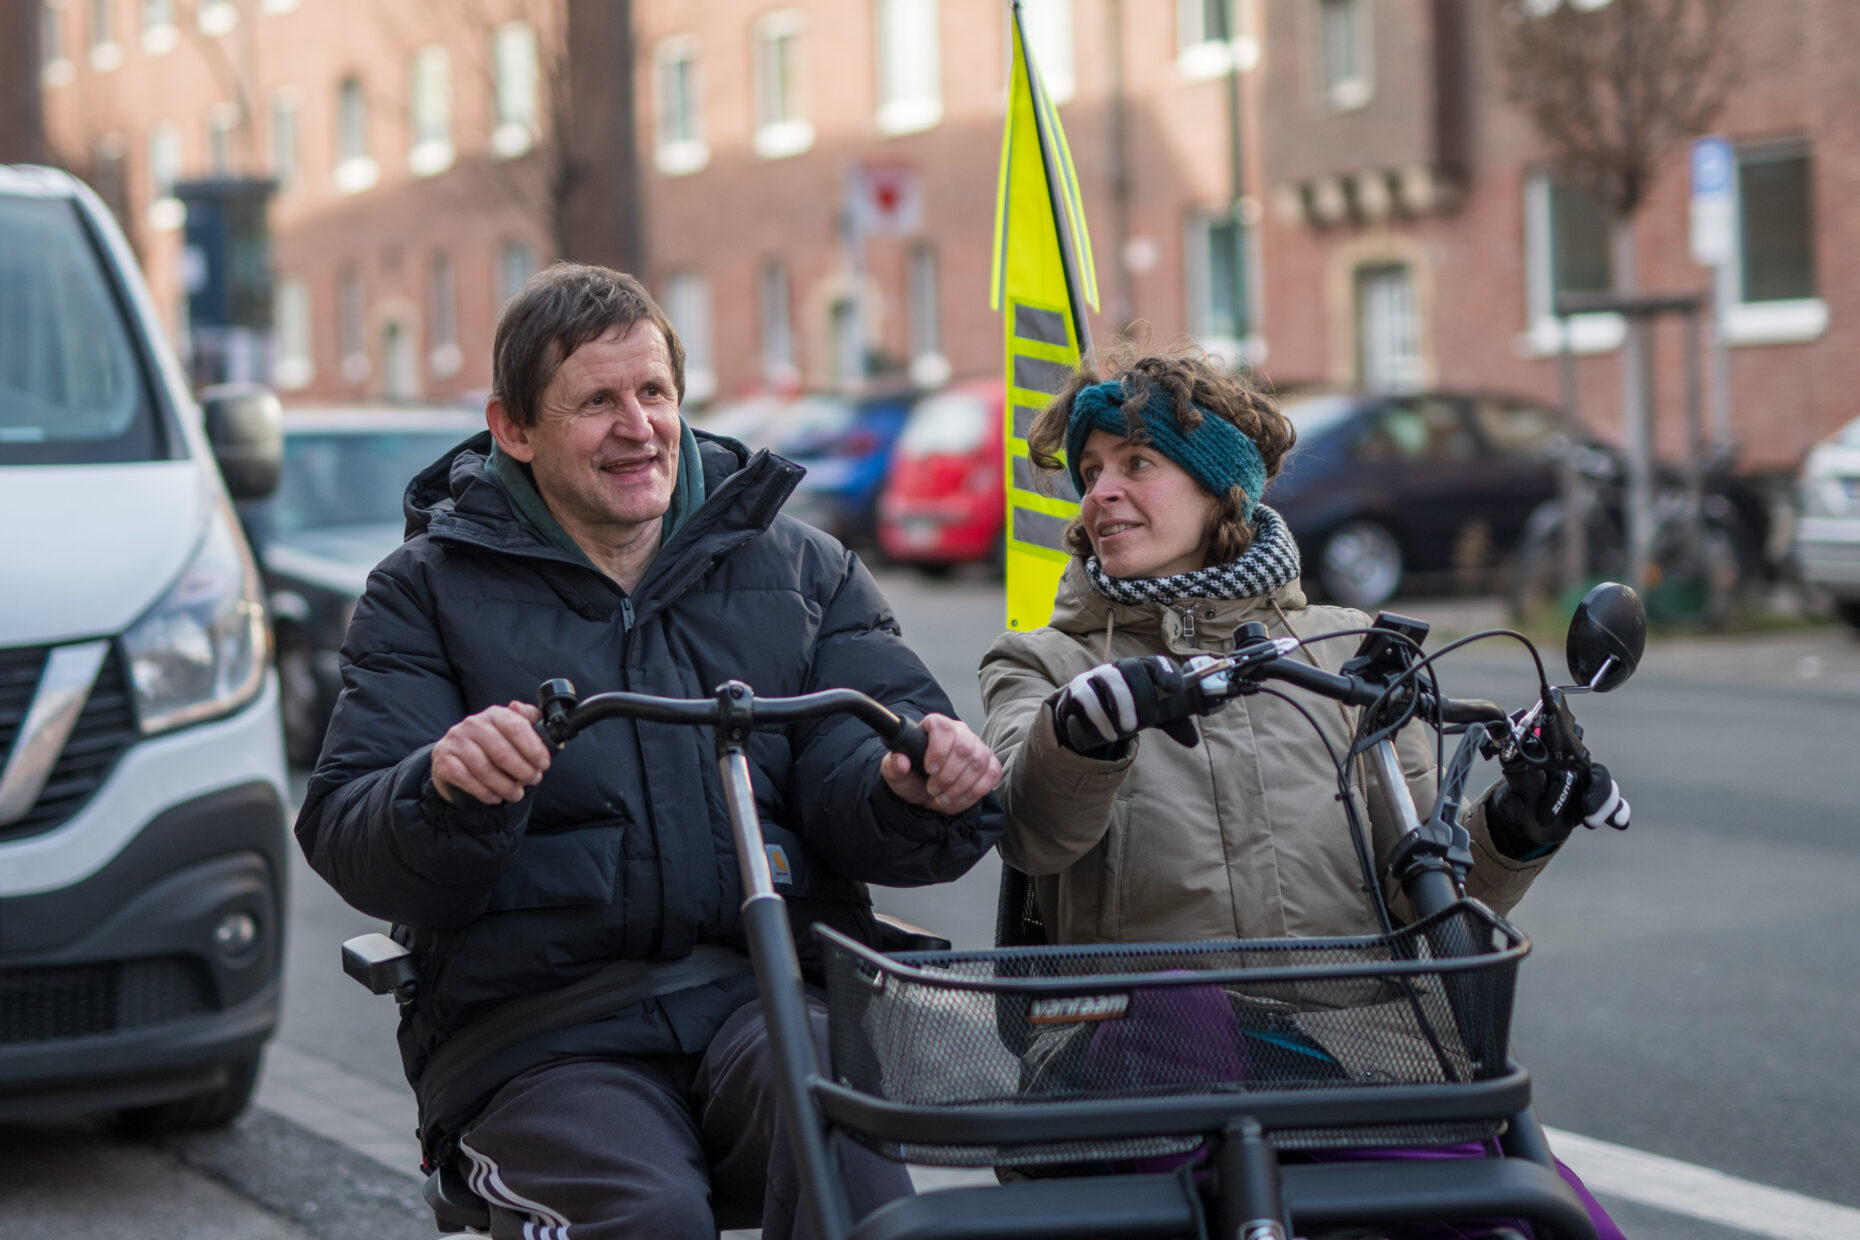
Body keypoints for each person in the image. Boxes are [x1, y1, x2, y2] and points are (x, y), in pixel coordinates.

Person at [296, 263, 1003, 1240]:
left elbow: (868, 756)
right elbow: (349, 827)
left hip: (767, 1000)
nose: (638, 426)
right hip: (539, 1035)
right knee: (648, 1215)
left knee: (846, 1166)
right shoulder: (422, 591)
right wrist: (448, 788)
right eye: (597, 401)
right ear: (514, 429)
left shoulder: (803, 571)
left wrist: (917, 786)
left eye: (654, 393)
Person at [978, 344, 1629, 1237]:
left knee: (1552, 1216)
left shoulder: (1352, 648)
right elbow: (1030, 832)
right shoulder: (1043, 661)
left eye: (1137, 464)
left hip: (1357, 1064)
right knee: (1182, 1001)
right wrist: (1080, 734)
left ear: (1223, 492)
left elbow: (1424, 897)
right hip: (1132, 1072)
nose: (1100, 492)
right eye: (1090, 473)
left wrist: (1519, 826)